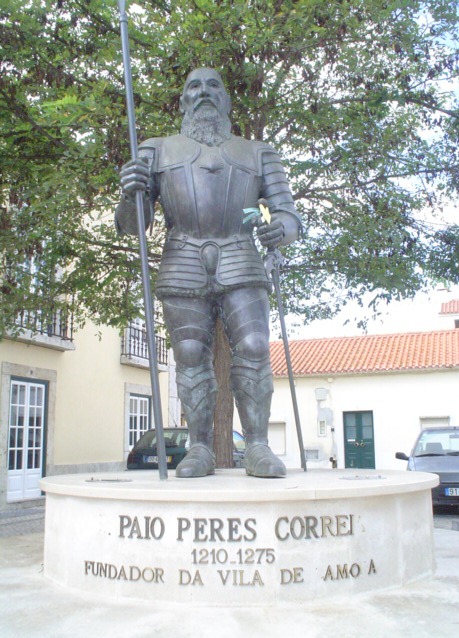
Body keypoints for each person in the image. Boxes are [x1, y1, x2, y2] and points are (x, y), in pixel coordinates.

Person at [116, 68, 301, 478]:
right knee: (188, 353)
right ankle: (199, 447)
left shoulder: (259, 152)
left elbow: (289, 214)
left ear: (226, 100)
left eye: (214, 85)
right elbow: (133, 225)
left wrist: (280, 229)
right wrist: (130, 192)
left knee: (254, 345)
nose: (204, 92)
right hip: (183, 257)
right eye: (194, 87)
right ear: (183, 100)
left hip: (240, 253)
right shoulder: (155, 150)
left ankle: (257, 445)